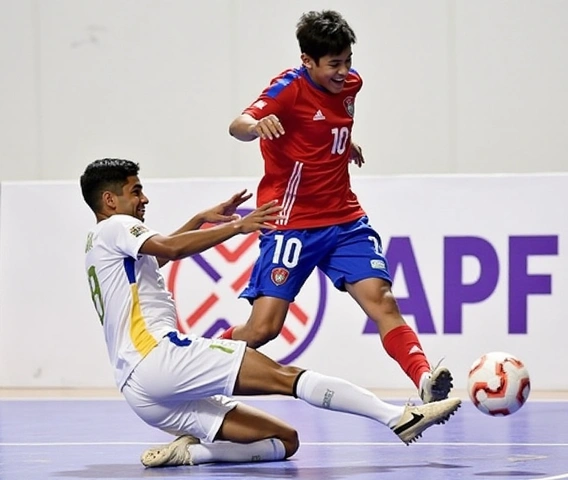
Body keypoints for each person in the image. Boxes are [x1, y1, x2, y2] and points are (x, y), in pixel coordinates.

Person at [80, 158, 461, 468]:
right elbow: (171, 248)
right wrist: (238, 227)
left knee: (284, 441)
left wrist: (201, 219)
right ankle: (397, 418)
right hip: (159, 358)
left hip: (141, 392)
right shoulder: (118, 225)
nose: (144, 198)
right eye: (136, 190)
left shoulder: (99, 245)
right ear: (110, 200)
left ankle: (191, 453)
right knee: (287, 377)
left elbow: (160, 255)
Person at [226, 10, 452, 404]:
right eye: (334, 64)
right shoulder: (287, 89)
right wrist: (255, 127)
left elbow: (323, 125)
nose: (344, 71)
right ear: (307, 61)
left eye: (348, 60)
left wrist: (343, 143)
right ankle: (196, 359)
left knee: (383, 300)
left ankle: (425, 378)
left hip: (345, 220)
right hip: (291, 224)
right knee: (263, 330)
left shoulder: (351, 84)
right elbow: (238, 124)